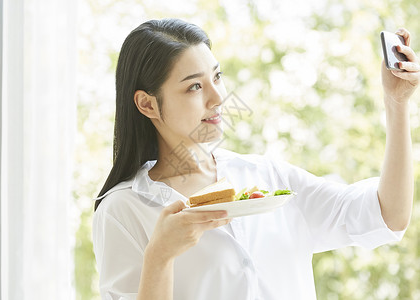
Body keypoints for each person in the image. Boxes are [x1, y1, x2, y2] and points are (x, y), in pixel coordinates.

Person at [92, 18, 419, 300]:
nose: (218, 97)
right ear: (147, 105)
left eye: (217, 77)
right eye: (194, 86)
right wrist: (159, 256)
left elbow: (388, 214)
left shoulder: (267, 177)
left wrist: (397, 103)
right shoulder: (123, 209)